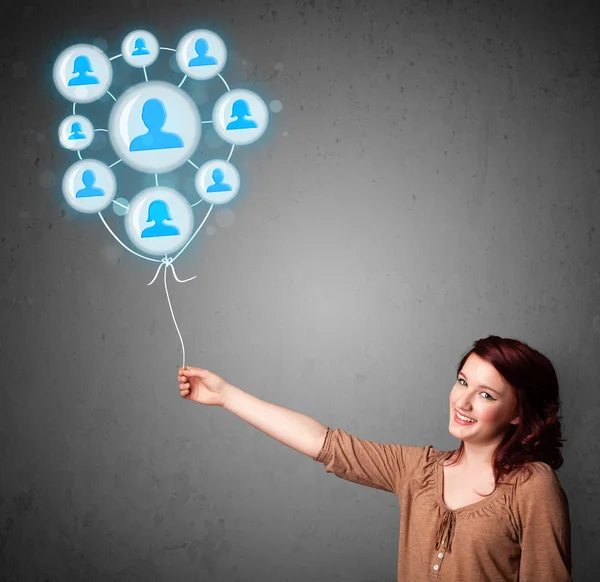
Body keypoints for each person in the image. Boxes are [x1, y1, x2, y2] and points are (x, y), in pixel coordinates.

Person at [177, 335, 572, 581]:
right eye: (463, 382)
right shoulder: (417, 470)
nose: (463, 401)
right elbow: (323, 442)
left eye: (486, 394)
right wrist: (226, 395)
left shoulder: (533, 486)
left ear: (518, 413)